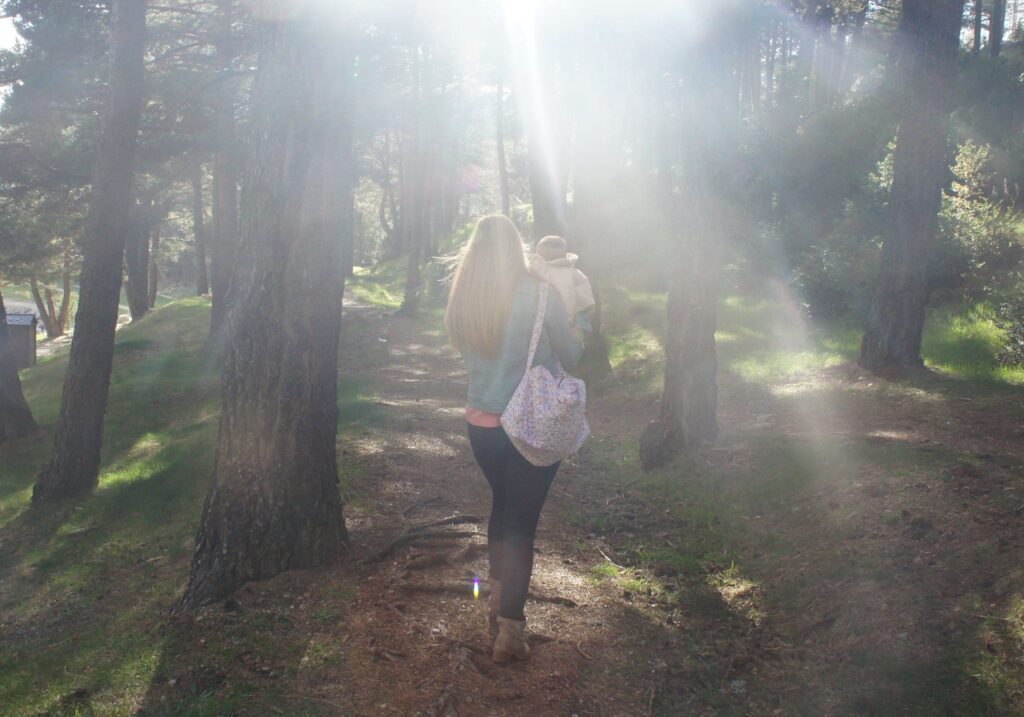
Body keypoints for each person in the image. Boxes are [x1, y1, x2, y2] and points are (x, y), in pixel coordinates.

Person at [444, 215, 584, 664]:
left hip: (481, 427)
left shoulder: (463, 300)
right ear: (517, 248)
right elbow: (573, 353)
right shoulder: (540, 294)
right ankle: (510, 632)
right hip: (529, 423)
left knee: (502, 508)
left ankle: (494, 599)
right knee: (521, 525)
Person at [528, 235, 595, 339]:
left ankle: (578, 337)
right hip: (551, 315)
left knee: (577, 325)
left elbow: (584, 295)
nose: (548, 258)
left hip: (564, 316)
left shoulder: (572, 273)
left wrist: (582, 317)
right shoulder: (537, 267)